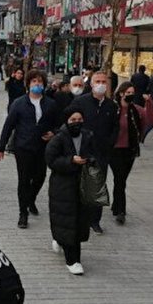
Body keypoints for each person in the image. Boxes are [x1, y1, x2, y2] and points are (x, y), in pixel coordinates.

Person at [0, 69, 59, 229]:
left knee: (40, 177)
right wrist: (0, 147)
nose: (37, 84)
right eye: (34, 82)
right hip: (23, 147)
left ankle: (30, 199)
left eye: (40, 82)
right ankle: (23, 213)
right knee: (24, 180)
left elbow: (58, 124)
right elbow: (8, 126)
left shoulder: (51, 104)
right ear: (28, 84)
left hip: (43, 147)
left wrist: (54, 133)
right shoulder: (19, 103)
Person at [45, 110, 97, 275]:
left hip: (82, 184)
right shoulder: (59, 138)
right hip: (63, 187)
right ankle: (73, 260)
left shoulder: (87, 136)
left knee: (79, 221)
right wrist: (70, 161)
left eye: (80, 119)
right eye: (73, 119)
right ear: (67, 121)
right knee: (67, 220)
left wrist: (91, 160)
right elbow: (51, 160)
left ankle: (61, 241)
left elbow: (94, 153)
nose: (77, 122)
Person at [69, 71, 119, 235]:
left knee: (98, 187)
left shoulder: (111, 106)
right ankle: (79, 216)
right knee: (80, 185)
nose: (101, 84)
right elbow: (71, 123)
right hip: (83, 152)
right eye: (97, 81)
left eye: (104, 81)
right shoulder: (81, 102)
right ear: (90, 84)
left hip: (102, 154)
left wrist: (109, 145)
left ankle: (95, 221)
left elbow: (114, 128)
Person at [110, 82, 153, 225]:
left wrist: (149, 102)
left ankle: (116, 204)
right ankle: (120, 211)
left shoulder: (135, 109)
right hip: (114, 149)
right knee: (120, 179)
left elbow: (152, 119)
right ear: (121, 93)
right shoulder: (112, 108)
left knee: (121, 179)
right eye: (128, 92)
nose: (131, 95)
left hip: (130, 149)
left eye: (132, 92)